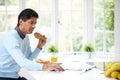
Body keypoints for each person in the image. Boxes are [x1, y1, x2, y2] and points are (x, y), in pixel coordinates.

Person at [0, 8, 64, 80]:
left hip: (14, 76)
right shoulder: (10, 37)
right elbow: (22, 62)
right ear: (21, 21)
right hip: (3, 77)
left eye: (35, 23)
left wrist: (39, 47)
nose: (34, 26)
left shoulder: (26, 37)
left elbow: (29, 59)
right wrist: (45, 66)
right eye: (31, 22)